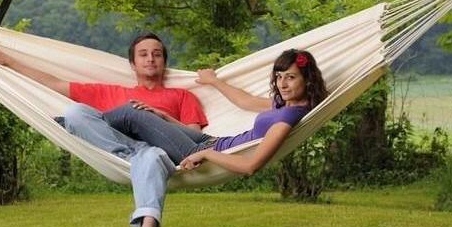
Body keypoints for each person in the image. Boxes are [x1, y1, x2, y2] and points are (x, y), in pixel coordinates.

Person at [0, 32, 208, 227]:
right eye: (143, 54)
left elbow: (192, 137)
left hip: (160, 150)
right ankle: (132, 159)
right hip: (121, 147)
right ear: (133, 64)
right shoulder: (111, 92)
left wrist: (161, 117)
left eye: (157, 54)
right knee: (76, 113)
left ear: (164, 62)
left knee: (151, 155)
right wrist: (6, 60)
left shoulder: (182, 96)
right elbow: (54, 84)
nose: (150, 58)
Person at [102, 49, 327, 176]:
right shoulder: (283, 104)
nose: (283, 84)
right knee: (148, 112)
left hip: (200, 150)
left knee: (133, 113)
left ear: (307, 80)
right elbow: (245, 100)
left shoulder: (287, 117)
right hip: (212, 141)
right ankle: (83, 120)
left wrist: (206, 155)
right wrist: (214, 81)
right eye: (279, 77)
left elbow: (250, 166)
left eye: (291, 77)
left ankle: (79, 120)